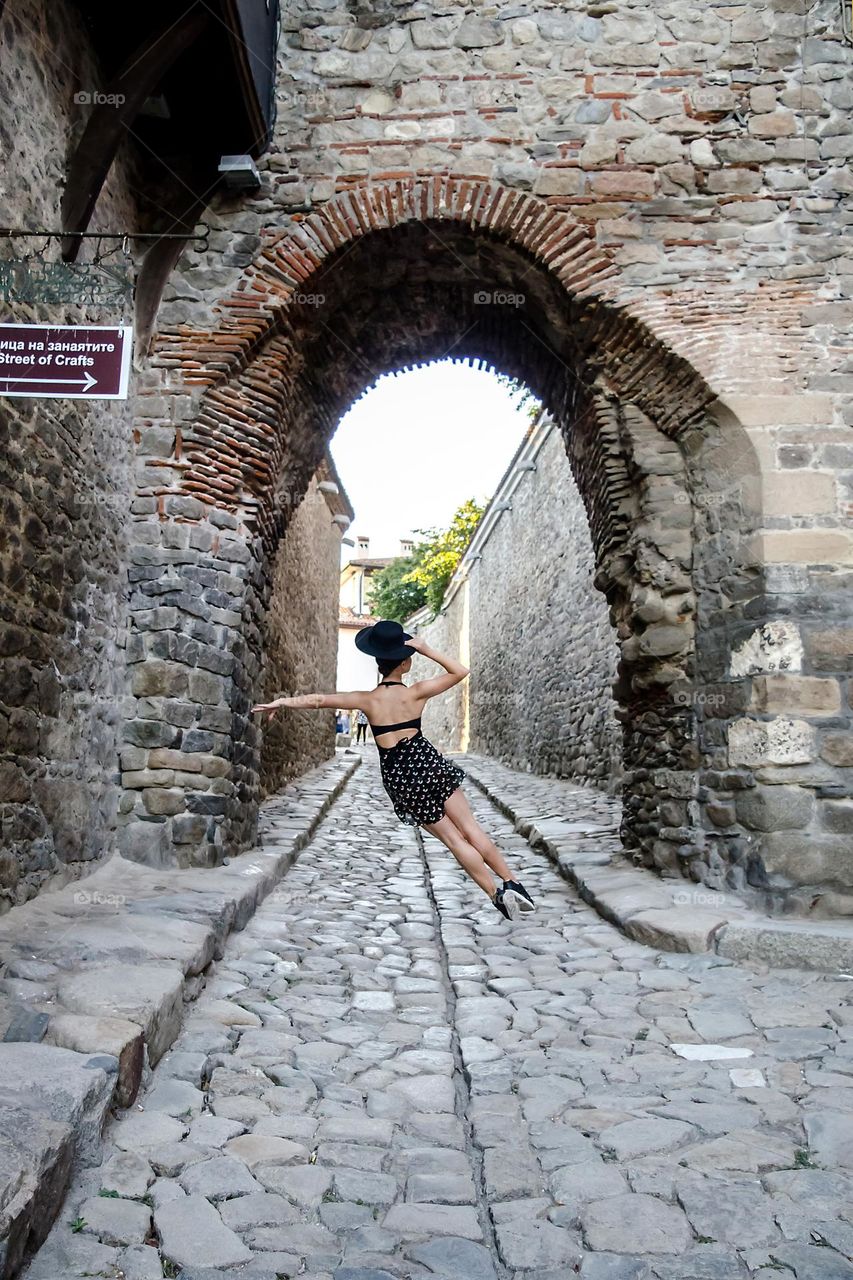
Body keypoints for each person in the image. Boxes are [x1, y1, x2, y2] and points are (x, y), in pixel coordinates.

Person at [252, 619, 535, 921]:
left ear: (378, 663)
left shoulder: (367, 700)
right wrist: (427, 649)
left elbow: (319, 700)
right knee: (471, 830)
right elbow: (460, 672)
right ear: (404, 662)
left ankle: (495, 895)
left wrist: (281, 702)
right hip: (428, 765)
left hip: (401, 778)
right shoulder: (416, 693)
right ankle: (513, 883)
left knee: (454, 840)